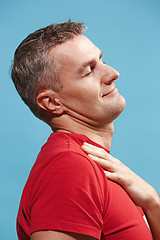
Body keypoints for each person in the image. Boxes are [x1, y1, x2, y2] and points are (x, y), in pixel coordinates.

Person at [11, 21, 160, 240]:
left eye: (102, 60)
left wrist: (152, 202)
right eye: (89, 70)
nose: (113, 73)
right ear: (52, 102)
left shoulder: (89, 163)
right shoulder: (69, 166)